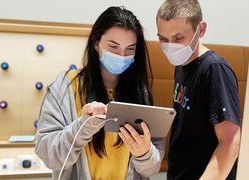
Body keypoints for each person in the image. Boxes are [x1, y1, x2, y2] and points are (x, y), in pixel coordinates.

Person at [35, 6, 165, 180]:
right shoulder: (66, 86)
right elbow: (48, 154)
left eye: (130, 48)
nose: (122, 55)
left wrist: (144, 153)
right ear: (97, 43)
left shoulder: (140, 92)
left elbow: (151, 168)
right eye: (113, 46)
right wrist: (82, 127)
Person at [156, 0, 241, 179]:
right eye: (163, 39)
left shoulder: (214, 69)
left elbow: (230, 142)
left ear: (200, 30)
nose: (171, 46)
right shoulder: (180, 65)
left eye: (178, 38)